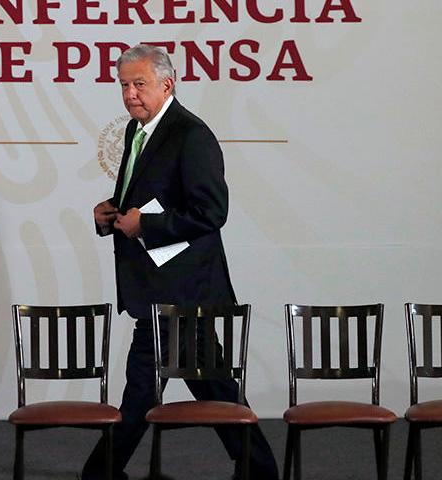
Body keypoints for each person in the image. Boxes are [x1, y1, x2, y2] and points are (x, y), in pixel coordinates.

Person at [85, 44, 279, 480]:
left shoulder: (192, 134)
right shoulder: (139, 131)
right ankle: (260, 469)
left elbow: (211, 212)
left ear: (167, 84)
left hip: (182, 291)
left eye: (139, 84)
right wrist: (112, 214)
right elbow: (148, 201)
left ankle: (99, 473)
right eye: (124, 85)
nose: (130, 94)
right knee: (212, 386)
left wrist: (147, 227)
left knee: (141, 393)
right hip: (163, 289)